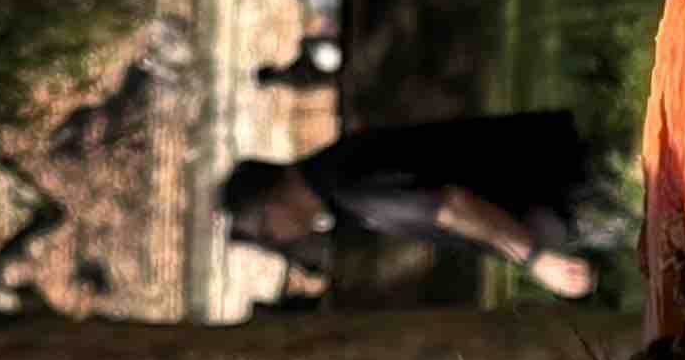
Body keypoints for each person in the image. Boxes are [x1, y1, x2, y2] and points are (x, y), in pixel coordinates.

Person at [220, 113, 623, 299]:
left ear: (272, 201)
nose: (280, 239)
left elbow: (453, 207)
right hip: (557, 176)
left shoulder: (348, 186)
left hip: (566, 185)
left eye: (268, 232)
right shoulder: (336, 178)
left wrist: (535, 259)